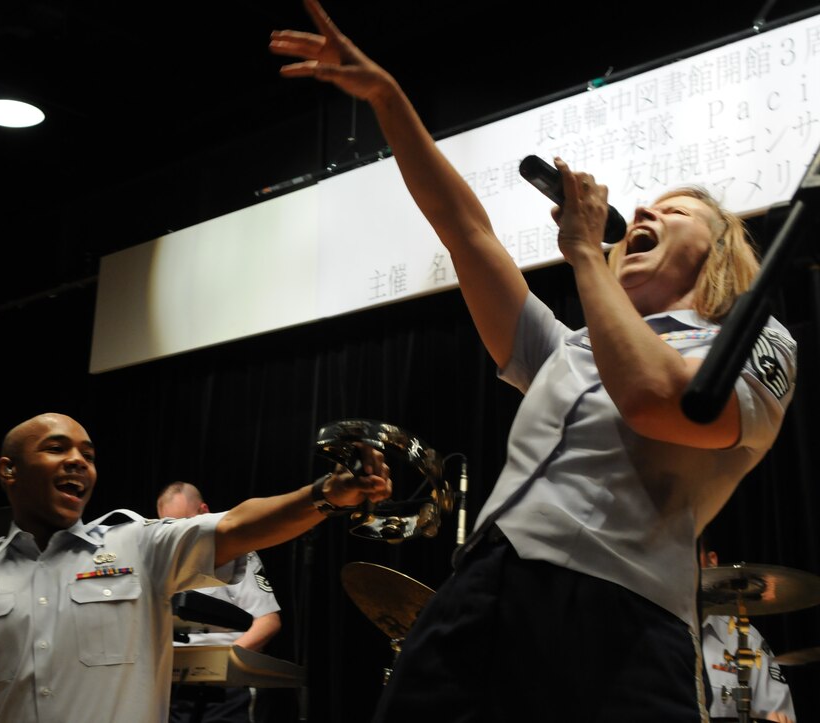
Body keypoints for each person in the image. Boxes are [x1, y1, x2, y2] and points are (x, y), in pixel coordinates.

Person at [270, 2, 798, 721]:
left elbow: (655, 399)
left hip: (615, 615)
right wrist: (388, 100)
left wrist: (584, 252)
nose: (643, 211)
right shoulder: (572, 348)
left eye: (673, 212)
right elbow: (466, 233)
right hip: (479, 591)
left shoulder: (750, 340)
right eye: (640, 208)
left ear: (721, 251)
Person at [0, 412, 389, 722]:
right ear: (8, 471)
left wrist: (326, 494)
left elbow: (238, 526)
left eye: (87, 455)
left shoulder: (139, 546)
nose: (77, 462)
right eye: (56, 448)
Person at [157, 481, 282, 723]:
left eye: (184, 524)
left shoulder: (238, 553)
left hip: (226, 684)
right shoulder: (163, 560)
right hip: (173, 685)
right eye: (168, 527)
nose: (177, 535)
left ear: (204, 512)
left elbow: (268, 621)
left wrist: (220, 664)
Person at [699, 537, 796, 723]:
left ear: (711, 561)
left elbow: (779, 714)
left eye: (689, 552)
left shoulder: (745, 639)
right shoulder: (646, 635)